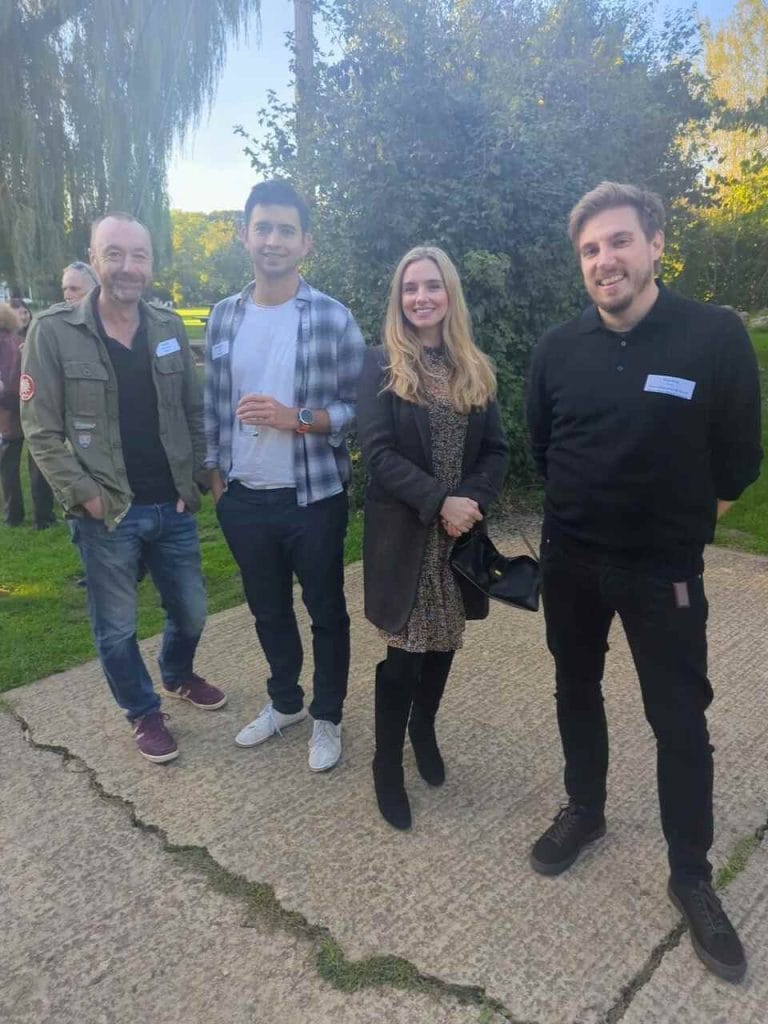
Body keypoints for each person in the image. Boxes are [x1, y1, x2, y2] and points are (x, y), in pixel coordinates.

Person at [526, 182, 762, 983]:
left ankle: (690, 872)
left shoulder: (713, 336)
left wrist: (681, 520)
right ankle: (585, 811)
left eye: (619, 242)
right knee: (575, 688)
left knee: (679, 718)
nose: (605, 261)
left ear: (656, 243)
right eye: (591, 250)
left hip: (663, 571)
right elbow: (542, 445)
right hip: (572, 562)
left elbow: (740, 457)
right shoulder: (559, 348)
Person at [21, 213, 226, 764]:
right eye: (114, 254)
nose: (127, 267)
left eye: (138, 255)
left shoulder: (168, 327)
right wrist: (85, 496)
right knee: (116, 629)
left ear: (151, 263)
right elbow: (40, 430)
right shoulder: (53, 331)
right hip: (106, 513)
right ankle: (143, 711)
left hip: (173, 504)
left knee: (192, 613)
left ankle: (177, 675)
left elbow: (192, 408)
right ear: (93, 259)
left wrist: (195, 479)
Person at [204, 179, 366, 772]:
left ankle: (327, 716)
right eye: (263, 227)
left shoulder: (331, 318)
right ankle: (286, 703)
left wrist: (295, 418)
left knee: (326, 610)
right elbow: (213, 406)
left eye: (286, 230)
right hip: (243, 498)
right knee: (267, 610)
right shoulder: (224, 317)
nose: (273, 240)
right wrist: (217, 483)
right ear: (245, 234)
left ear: (306, 243)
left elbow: (358, 406)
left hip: (313, 495)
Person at [357, 246, 509, 830]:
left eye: (433, 287)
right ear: (399, 298)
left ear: (450, 295)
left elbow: (496, 451)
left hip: (458, 537)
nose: (421, 297)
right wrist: (437, 500)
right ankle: (385, 764)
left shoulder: (473, 366)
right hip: (407, 535)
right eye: (410, 288)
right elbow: (378, 455)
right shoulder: (381, 365)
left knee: (444, 644)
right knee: (404, 655)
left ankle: (424, 727)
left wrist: (469, 503)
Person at [0, 303, 56, 528]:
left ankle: (13, 515)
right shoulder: (18, 340)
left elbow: (7, 383)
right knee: (38, 464)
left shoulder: (5, 343)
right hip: (31, 406)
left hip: (9, 410)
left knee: (9, 467)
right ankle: (43, 516)